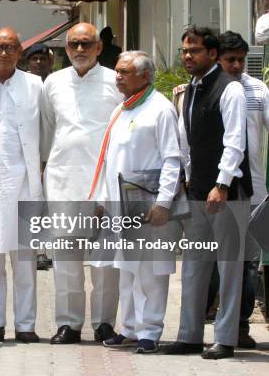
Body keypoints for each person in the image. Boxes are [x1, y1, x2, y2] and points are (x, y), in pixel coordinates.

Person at [164, 26, 252, 359]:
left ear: (212, 54)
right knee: (194, 265)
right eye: (184, 51)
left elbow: (235, 142)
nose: (187, 56)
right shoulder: (190, 90)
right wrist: (187, 178)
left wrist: (222, 184)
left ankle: (226, 338)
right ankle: (189, 335)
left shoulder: (230, 90)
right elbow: (186, 140)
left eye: (195, 51)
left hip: (226, 194)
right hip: (197, 190)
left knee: (229, 266)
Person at [41, 22, 122, 345]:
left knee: (104, 262)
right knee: (66, 262)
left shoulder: (115, 81)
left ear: (99, 48)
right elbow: (48, 131)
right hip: (63, 181)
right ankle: (69, 324)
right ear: (65, 48)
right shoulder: (54, 83)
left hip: (104, 184)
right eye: (73, 44)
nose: (79, 50)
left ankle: (104, 323)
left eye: (86, 44)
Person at [96, 51, 181, 353]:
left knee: (150, 271)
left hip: (149, 204)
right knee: (127, 269)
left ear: (145, 76)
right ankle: (129, 327)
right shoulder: (121, 109)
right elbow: (109, 160)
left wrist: (164, 202)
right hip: (122, 205)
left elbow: (173, 159)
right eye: (117, 71)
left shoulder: (160, 109)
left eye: (125, 72)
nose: (118, 76)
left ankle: (151, 330)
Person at [0, 27, 42, 343]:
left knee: (25, 261)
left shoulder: (34, 85)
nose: (3, 53)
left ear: (20, 52)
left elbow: (46, 130)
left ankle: (26, 325)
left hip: (25, 183)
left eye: (10, 47)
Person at [206, 31, 269, 349]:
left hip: (253, 192)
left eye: (241, 60)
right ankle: (217, 322)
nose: (236, 66)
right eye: (230, 60)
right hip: (216, 192)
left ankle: (239, 326)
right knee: (216, 261)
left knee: (246, 265)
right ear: (216, 58)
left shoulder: (258, 91)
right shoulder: (208, 90)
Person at [23, 43, 53, 271]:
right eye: (34, 59)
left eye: (43, 59)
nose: (39, 63)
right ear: (28, 62)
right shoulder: (24, 86)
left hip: (54, 155)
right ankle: (39, 252)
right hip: (30, 157)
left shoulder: (57, 84)